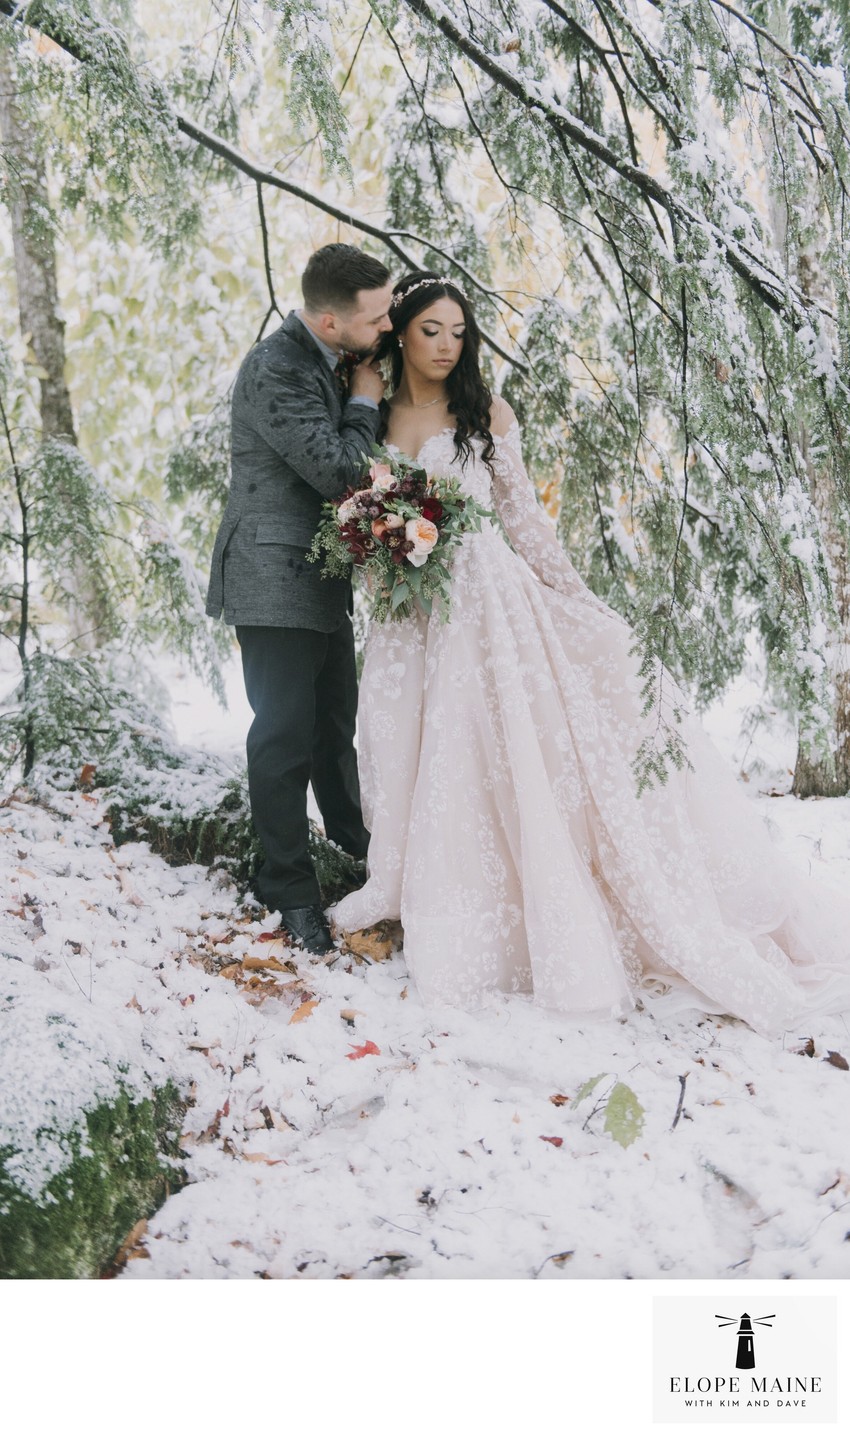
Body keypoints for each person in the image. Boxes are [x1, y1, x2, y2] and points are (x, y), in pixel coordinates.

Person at [327, 270, 850, 1038]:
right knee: (413, 749)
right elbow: (362, 513)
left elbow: (523, 520)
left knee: (498, 754)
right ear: (400, 331)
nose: (445, 346)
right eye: (431, 330)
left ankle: (530, 918)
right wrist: (380, 548)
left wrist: (576, 596)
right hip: (413, 618)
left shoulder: (484, 414)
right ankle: (417, 896)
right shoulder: (370, 418)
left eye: (459, 333)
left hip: (488, 606)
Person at [206, 243, 394, 954]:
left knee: (331, 729)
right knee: (284, 737)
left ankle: (357, 851)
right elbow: (342, 470)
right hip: (271, 574)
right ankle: (286, 887)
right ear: (327, 318)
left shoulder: (324, 355)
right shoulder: (278, 369)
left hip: (317, 578)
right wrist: (367, 399)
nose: (384, 329)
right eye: (376, 318)